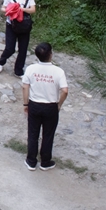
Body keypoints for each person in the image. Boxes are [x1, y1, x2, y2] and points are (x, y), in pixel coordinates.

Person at [21, 42, 68, 171]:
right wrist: (58, 105)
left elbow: (25, 86)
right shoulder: (58, 71)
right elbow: (65, 90)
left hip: (34, 105)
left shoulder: (31, 69)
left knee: (32, 133)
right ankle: (45, 161)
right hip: (51, 106)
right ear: (51, 55)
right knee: (48, 135)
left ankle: (31, 161)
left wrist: (26, 104)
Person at [0, 0, 36, 76]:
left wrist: (22, 9)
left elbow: (33, 9)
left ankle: (19, 70)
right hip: (12, 25)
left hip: (24, 25)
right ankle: (1, 61)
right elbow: (3, 8)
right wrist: (11, 10)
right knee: (10, 48)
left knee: (23, 49)